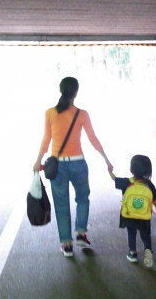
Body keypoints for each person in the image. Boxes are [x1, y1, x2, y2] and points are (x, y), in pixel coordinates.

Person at [33, 77, 113, 257]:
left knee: (61, 205)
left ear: (60, 90)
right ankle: (81, 233)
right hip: (78, 163)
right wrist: (106, 159)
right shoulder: (82, 114)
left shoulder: (50, 113)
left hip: (57, 165)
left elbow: (46, 140)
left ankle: (66, 245)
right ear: (76, 92)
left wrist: (38, 160)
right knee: (83, 199)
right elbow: (93, 139)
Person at [109, 154, 156, 267]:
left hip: (129, 216)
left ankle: (132, 253)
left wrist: (109, 171)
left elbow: (114, 179)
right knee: (145, 235)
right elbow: (155, 199)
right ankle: (148, 252)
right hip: (144, 217)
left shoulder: (127, 182)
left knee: (131, 233)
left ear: (131, 169)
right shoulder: (148, 184)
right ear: (148, 170)